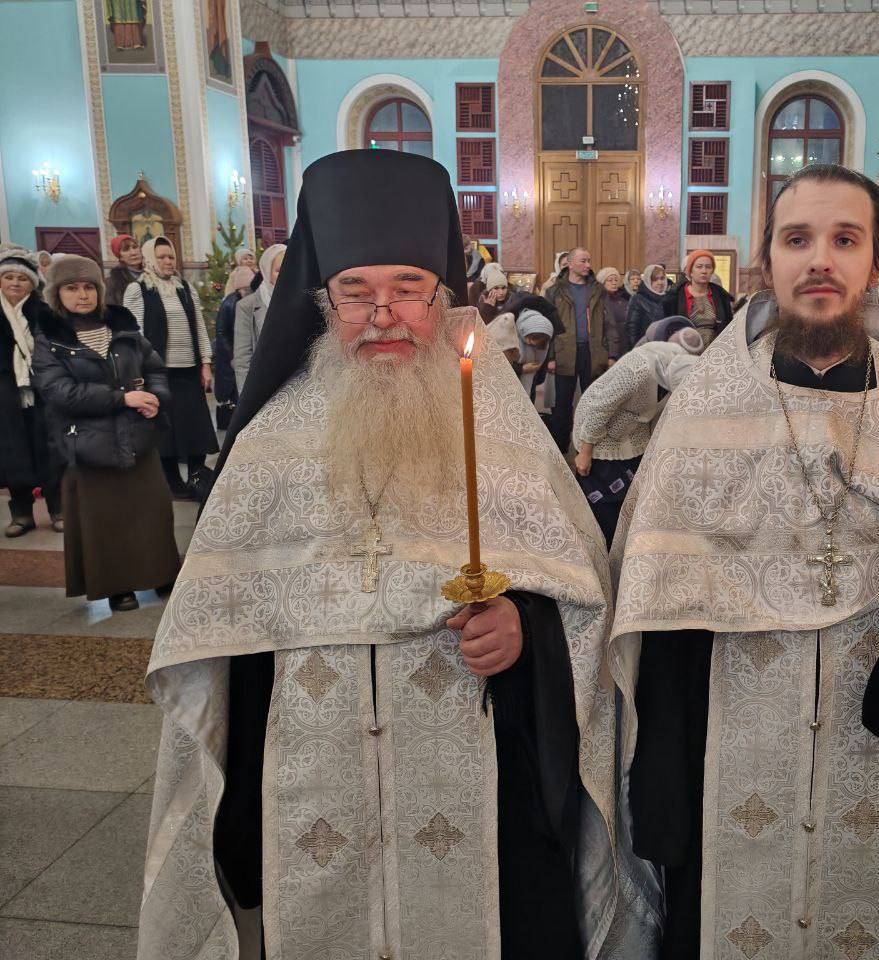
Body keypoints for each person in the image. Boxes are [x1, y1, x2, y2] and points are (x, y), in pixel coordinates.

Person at [136, 149, 633, 960]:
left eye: (408, 288)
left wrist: (524, 625)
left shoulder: (499, 428)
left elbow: (579, 596)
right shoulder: (269, 440)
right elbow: (219, 639)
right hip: (309, 780)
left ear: (443, 297)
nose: (383, 314)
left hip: (480, 780)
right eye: (355, 291)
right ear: (321, 301)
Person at [612, 164, 879, 960]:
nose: (820, 260)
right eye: (797, 239)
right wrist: (664, 801)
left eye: (845, 240)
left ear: (876, 263)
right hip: (724, 755)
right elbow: (657, 602)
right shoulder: (707, 404)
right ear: (765, 262)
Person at [31, 256, 180, 612]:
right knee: (105, 520)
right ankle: (117, 586)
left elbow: (154, 368)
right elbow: (60, 392)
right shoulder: (49, 337)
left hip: (137, 437)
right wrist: (123, 398)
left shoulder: (121, 324)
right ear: (56, 294)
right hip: (88, 443)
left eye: (88, 287)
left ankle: (160, 573)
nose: (82, 295)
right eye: (71, 288)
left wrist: (156, 399)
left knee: (152, 511)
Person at [572, 331, 703, 546]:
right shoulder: (637, 371)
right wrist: (586, 452)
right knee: (604, 500)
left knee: (632, 491)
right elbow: (600, 408)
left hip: (632, 432)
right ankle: (603, 546)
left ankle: (624, 542)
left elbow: (658, 417)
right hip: (597, 431)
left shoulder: (681, 368)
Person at [123, 237, 218, 499]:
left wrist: (205, 364)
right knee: (166, 430)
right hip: (158, 372)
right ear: (150, 259)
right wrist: (139, 372)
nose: (168, 261)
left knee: (195, 425)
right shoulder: (138, 289)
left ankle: (197, 476)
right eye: (162, 257)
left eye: (171, 256)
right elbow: (133, 334)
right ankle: (173, 482)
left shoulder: (184, 287)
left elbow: (199, 327)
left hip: (189, 368)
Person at [0, 247, 62, 536]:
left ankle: (58, 508)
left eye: (22, 278)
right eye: (8, 277)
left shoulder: (44, 312)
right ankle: (22, 513)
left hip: (41, 391)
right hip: (6, 394)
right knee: (13, 451)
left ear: (32, 283)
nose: (15, 282)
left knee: (49, 449)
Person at [545, 248, 621, 452]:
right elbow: (549, 326)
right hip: (564, 353)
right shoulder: (554, 291)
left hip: (593, 353)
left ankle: (589, 449)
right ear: (570, 264)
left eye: (589, 261)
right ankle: (560, 450)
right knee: (562, 405)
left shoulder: (598, 290)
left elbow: (610, 325)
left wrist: (612, 354)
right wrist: (550, 357)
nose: (588, 265)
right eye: (583, 261)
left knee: (593, 402)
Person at [233, 243, 286, 396]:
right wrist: (247, 398)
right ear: (267, 271)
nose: (285, 275)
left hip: (296, 386)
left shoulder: (301, 301)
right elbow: (243, 359)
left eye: (289, 268)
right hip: (263, 388)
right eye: (278, 270)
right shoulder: (247, 306)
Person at [663, 250, 734, 347]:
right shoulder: (674, 297)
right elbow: (667, 329)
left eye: (708, 267)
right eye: (699, 266)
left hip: (715, 350)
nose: (704, 271)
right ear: (690, 271)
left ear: (712, 271)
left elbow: (729, 327)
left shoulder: (721, 296)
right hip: (684, 349)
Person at [213, 264, 254, 427]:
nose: (247, 292)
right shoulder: (230, 303)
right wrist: (232, 356)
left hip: (239, 355)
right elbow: (221, 332)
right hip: (230, 358)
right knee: (232, 393)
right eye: (245, 289)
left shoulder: (246, 301)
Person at [626, 263, 668, 348]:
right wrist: (636, 349)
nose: (660, 282)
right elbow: (632, 328)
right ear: (648, 281)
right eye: (655, 279)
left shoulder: (668, 298)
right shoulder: (638, 299)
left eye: (662, 278)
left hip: (664, 347)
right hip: (645, 347)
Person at [596, 267, 631, 354]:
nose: (614, 282)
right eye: (610, 280)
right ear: (602, 282)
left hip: (624, 345)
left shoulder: (624, 300)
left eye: (616, 280)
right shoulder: (598, 301)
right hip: (606, 347)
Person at [105, 234, 144, 306]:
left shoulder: (152, 273)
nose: (133, 253)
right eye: (126, 249)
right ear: (120, 257)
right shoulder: (114, 282)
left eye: (135, 247)